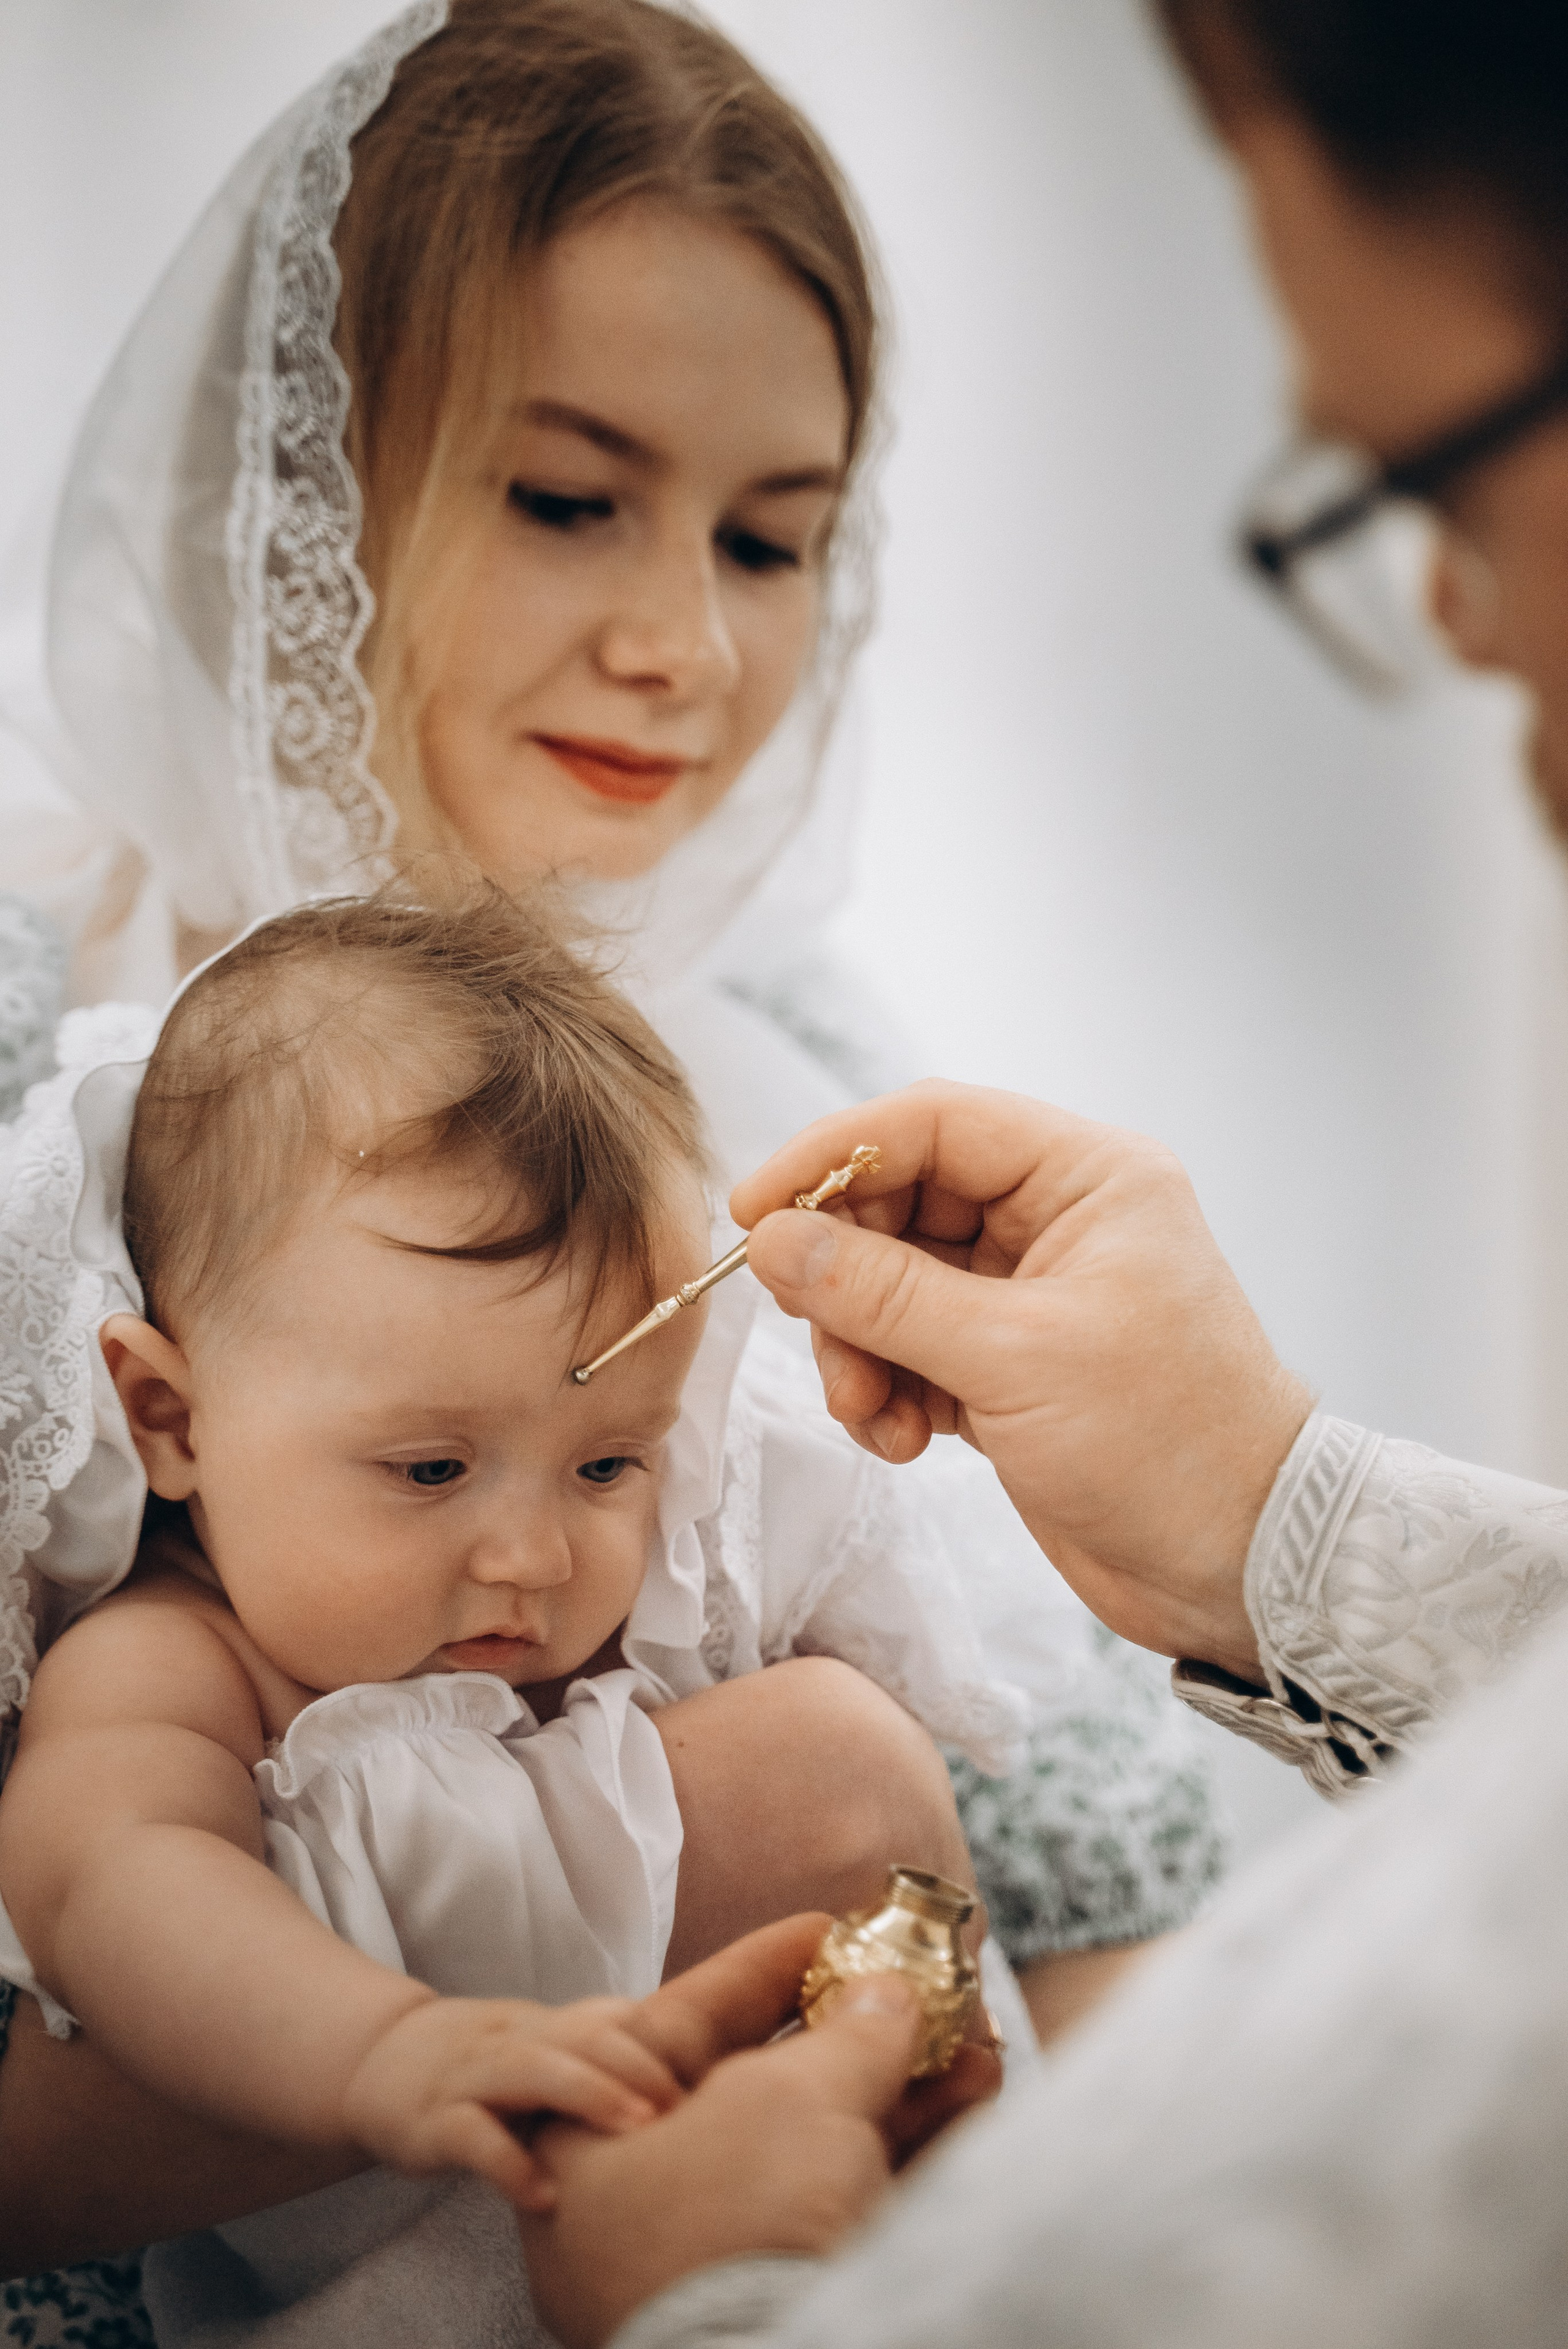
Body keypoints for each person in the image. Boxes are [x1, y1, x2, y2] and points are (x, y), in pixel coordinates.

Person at [0, 0, 1222, 2303]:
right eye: (571, 497)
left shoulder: (799, 1080)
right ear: (307, 476)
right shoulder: (35, 1060)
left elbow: (1095, 1931)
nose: (683, 645)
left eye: (775, 541)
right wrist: (677, 1933)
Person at [475, 1, 1568, 2339]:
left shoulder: (803, 1059)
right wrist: (1267, 1508)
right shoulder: (79, 1100)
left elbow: (1184, 2062)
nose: (1461, 619)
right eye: (566, 491)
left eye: (1447, 486)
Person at [0, 882, 1021, 2347]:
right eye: (429, 1468)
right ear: (168, 1415)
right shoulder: (173, 1663)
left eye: (611, 1462)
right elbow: (117, 1896)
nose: (537, 1557)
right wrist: (389, 2048)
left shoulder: (655, 1612)